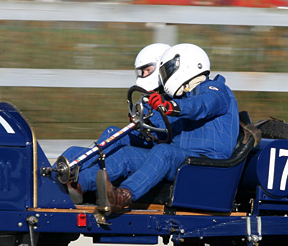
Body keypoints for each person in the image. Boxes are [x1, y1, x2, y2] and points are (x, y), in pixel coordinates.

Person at [96, 42, 240, 215]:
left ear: (188, 64)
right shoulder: (186, 97)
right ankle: (80, 183)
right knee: (125, 152)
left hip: (208, 165)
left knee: (164, 151)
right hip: (183, 160)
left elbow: (199, 106)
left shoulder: (216, 90)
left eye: (168, 70)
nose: (165, 76)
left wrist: (169, 106)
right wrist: (142, 124)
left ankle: (122, 197)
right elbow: (165, 125)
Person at [60, 42, 170, 204]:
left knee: (123, 155)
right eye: (142, 71)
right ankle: (59, 174)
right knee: (110, 133)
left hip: (158, 151)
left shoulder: (172, 99)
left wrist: (146, 121)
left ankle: (79, 183)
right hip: (148, 142)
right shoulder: (151, 96)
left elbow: (164, 131)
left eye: (148, 70)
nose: (144, 74)